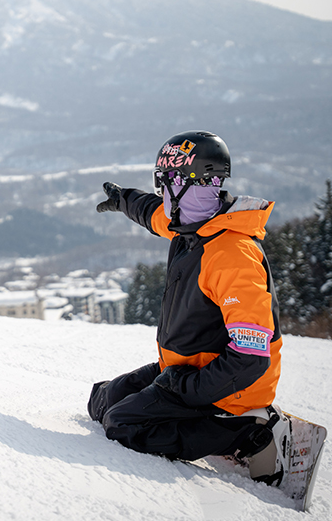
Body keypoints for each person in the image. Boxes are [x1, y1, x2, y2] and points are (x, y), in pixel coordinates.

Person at [88, 131, 289, 484]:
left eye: (165, 183)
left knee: (122, 424)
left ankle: (249, 433)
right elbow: (154, 214)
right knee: (102, 401)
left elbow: (251, 356)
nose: (162, 193)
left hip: (229, 392)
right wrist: (124, 199)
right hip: (185, 368)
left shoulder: (232, 255)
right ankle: (204, 419)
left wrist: (185, 389)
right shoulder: (192, 226)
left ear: (187, 185)